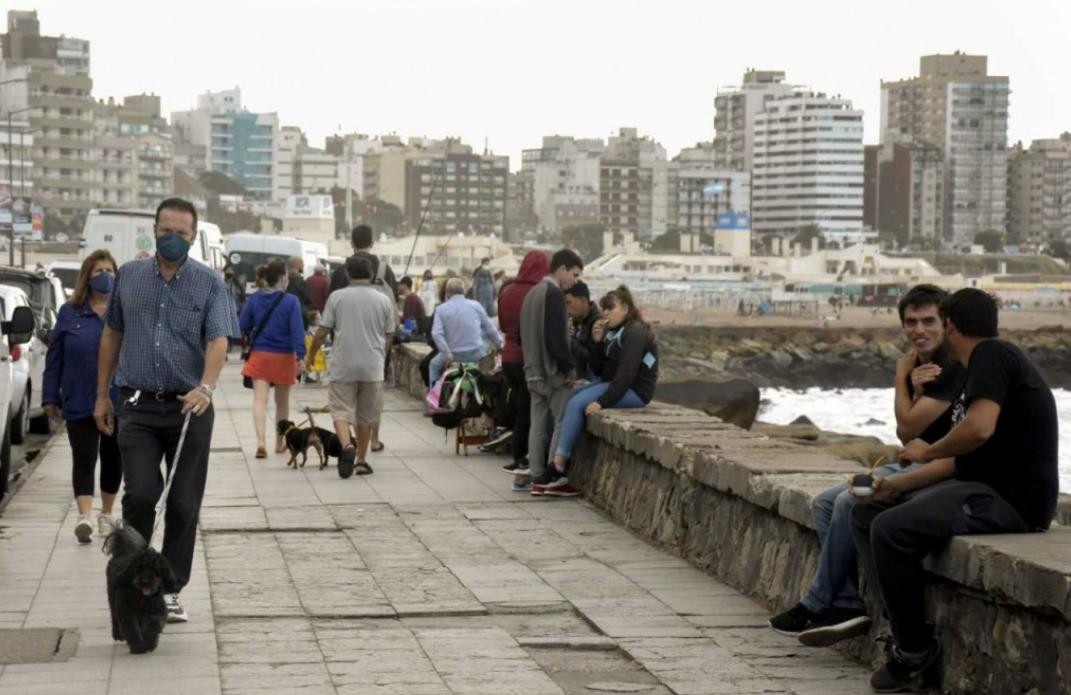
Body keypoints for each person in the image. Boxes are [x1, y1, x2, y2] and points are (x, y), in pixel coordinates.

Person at [850, 288, 1058, 692]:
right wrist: (891, 484)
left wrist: (928, 449)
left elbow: (976, 430)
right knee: (867, 513)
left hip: (1011, 502)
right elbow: (960, 459)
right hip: (979, 485)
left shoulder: (992, 356)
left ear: (950, 326)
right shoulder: (988, 365)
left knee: (891, 529)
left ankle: (912, 652)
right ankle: (901, 626)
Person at [768, 284, 967, 647]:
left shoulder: (949, 367)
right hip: (917, 462)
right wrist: (914, 389)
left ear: (946, 323)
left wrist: (900, 374)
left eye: (928, 321)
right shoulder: (922, 368)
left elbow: (907, 427)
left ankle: (816, 602)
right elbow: (908, 437)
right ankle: (844, 603)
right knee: (825, 502)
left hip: (944, 472)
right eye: (911, 322)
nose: (918, 330)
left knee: (849, 502)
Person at [95, 197, 239, 624]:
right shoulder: (131, 277)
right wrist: (102, 395)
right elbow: (112, 336)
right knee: (140, 494)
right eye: (166, 230)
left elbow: (218, 341)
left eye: (182, 233)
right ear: (153, 229)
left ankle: (170, 587)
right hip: (137, 407)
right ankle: (132, 578)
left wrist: (206, 387)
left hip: (188, 409)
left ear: (193, 237)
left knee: (182, 504)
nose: (172, 238)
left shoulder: (210, 283)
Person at [539, 286, 658, 497]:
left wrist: (602, 402)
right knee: (568, 397)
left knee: (577, 403)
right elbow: (601, 369)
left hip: (635, 391)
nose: (605, 313)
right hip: (615, 385)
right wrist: (596, 343)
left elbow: (627, 374)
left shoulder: (635, 332)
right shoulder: (613, 332)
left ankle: (558, 468)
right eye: (603, 308)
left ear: (625, 307)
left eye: (610, 308)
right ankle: (556, 461)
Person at [42, 250, 122, 544]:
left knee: (113, 457)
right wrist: (50, 396)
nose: (106, 276)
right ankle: (85, 516)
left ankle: (107, 514)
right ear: (87, 277)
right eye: (99, 271)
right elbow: (55, 358)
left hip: (117, 400)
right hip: (79, 398)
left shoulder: (123, 310)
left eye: (111, 271)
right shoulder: (69, 312)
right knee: (84, 457)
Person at [306, 256, 396, 478]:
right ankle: (361, 462)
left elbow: (322, 332)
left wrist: (310, 356)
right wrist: (381, 359)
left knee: (340, 410)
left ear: (347, 274)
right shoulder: (383, 300)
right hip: (372, 366)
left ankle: (347, 446)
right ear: (371, 275)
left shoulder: (337, 297)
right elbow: (389, 336)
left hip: (343, 364)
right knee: (365, 416)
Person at [328, 224, 396, 452]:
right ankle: (373, 439)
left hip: (345, 348)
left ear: (352, 243)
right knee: (372, 398)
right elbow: (393, 311)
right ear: (372, 242)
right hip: (377, 347)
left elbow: (330, 313)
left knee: (344, 401)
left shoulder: (340, 272)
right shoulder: (386, 270)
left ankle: (348, 443)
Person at [520, 249, 583, 493]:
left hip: (531, 370)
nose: (574, 282)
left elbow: (519, 333)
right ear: (562, 269)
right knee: (561, 421)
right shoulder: (554, 294)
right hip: (550, 372)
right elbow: (555, 337)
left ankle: (536, 476)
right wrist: (568, 367)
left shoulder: (531, 293)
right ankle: (551, 475)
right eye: (574, 275)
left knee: (537, 424)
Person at [239, 260, 306, 459]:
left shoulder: (255, 299)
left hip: (260, 355)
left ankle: (260, 442)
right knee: (282, 403)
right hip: (284, 356)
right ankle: (280, 441)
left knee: (260, 400)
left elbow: (242, 324)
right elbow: (297, 331)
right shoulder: (291, 301)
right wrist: (301, 355)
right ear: (283, 277)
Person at [496, 251, 549, 483]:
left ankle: (519, 459)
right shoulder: (538, 293)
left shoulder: (507, 291)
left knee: (521, 409)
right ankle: (522, 461)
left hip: (507, 357)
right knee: (530, 413)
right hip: (527, 358)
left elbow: (501, 323)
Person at [428, 278, 504, 386]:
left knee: (433, 365)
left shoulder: (441, 309)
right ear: (463, 292)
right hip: (475, 354)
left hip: (453, 355)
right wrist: (499, 344)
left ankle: (435, 397)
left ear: (448, 293)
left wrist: (448, 354)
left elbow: (436, 334)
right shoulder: (476, 305)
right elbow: (490, 328)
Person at [564, 280, 601, 379]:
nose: (566, 308)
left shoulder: (597, 323)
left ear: (583, 301)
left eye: (569, 303)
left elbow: (591, 359)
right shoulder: (578, 320)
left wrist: (569, 339)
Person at [286, 256, 312, 329]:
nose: (303, 265)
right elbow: (308, 298)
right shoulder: (299, 280)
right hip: (299, 312)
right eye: (302, 263)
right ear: (298, 264)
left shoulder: (284, 279)